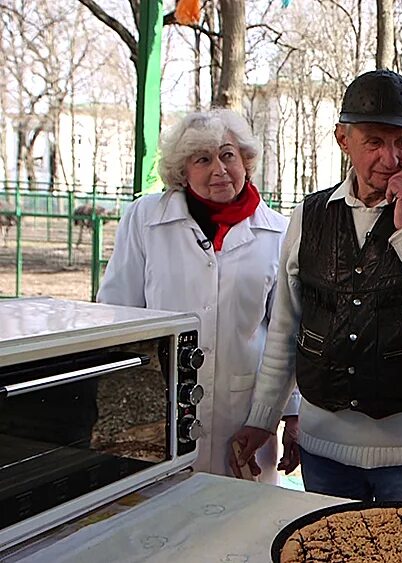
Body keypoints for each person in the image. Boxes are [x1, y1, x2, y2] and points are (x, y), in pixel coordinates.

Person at [230, 70, 402, 507]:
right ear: (342, 139)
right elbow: (285, 332)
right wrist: (263, 418)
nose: (390, 158)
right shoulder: (309, 216)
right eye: (373, 141)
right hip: (323, 449)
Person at [98, 109, 297, 484]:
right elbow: (117, 311)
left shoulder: (279, 232)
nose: (219, 170)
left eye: (227, 155)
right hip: (160, 408)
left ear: (245, 161)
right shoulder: (146, 219)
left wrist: (291, 413)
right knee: (162, 520)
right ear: (182, 170)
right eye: (202, 159)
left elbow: (286, 334)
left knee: (239, 522)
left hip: (246, 415)